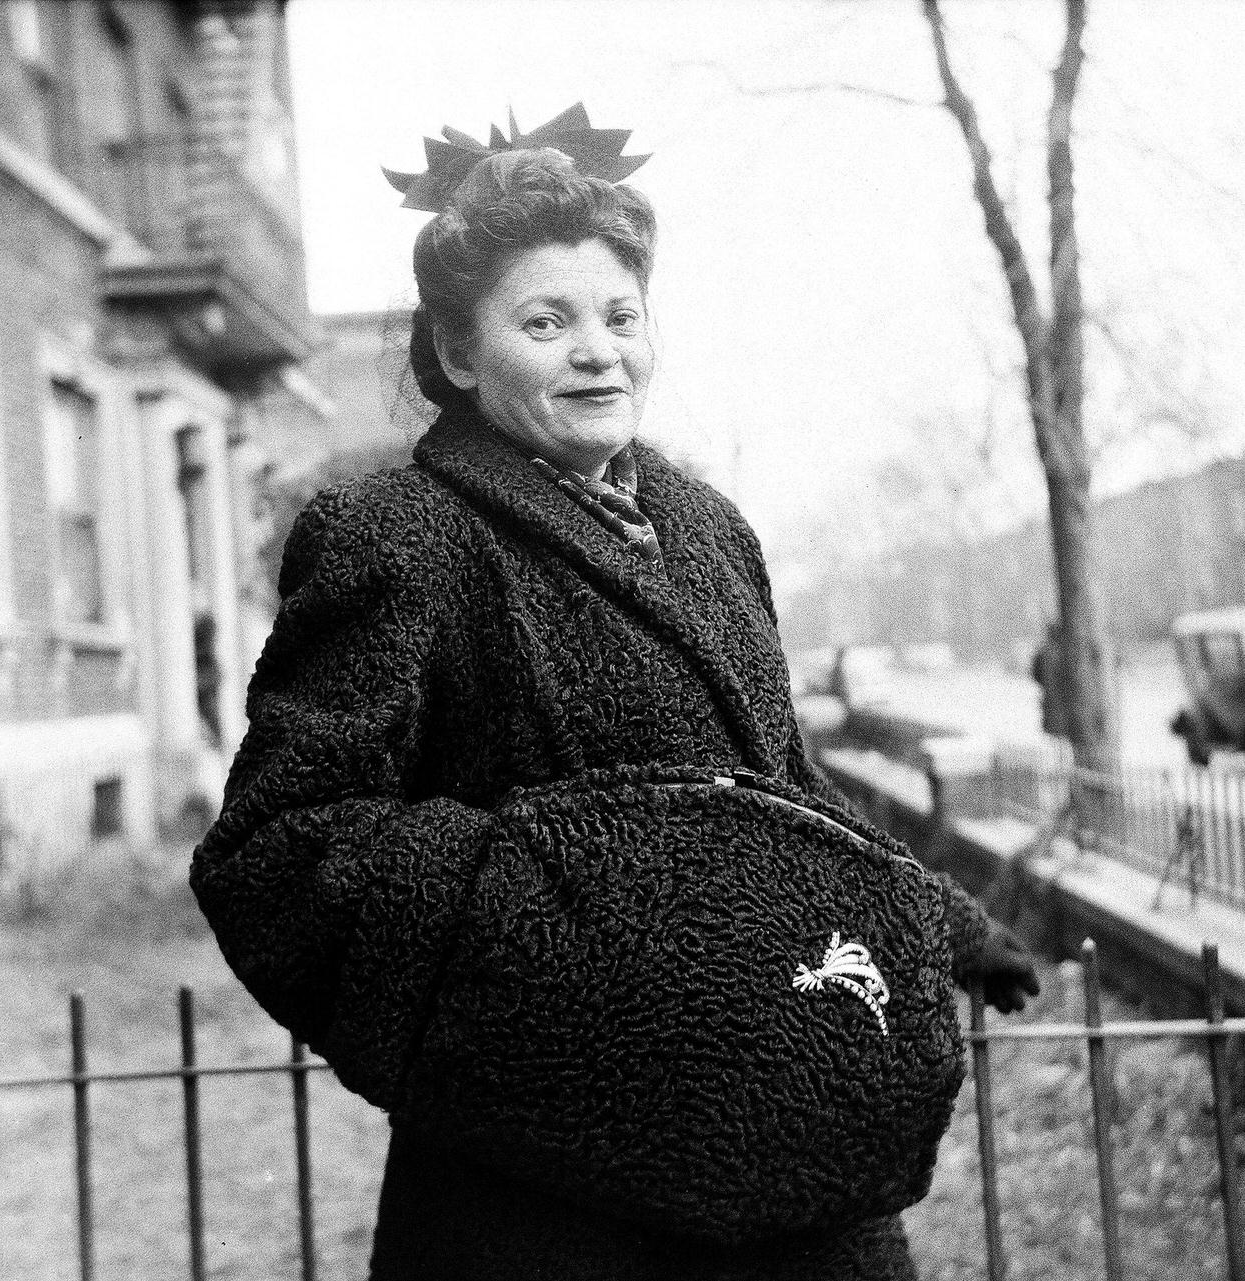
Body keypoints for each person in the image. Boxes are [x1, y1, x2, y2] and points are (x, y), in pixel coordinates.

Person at [191, 105, 1039, 1281]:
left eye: (619, 315)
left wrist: (934, 917)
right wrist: (567, 939)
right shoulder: (397, 539)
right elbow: (280, 855)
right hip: (544, 1191)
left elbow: (777, 797)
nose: (599, 350)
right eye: (547, 321)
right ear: (456, 354)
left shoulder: (709, 530)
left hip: (780, 1152)